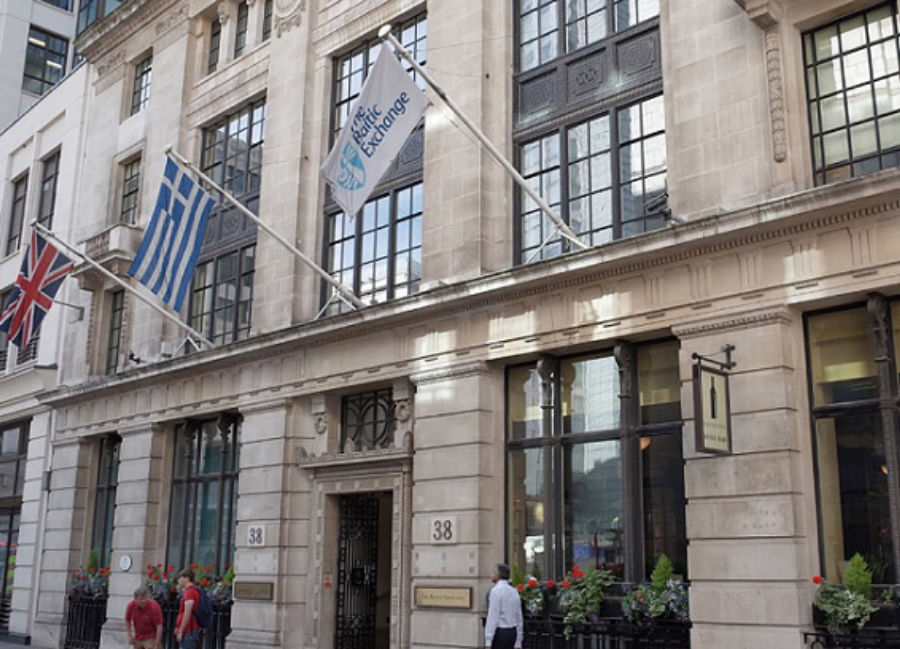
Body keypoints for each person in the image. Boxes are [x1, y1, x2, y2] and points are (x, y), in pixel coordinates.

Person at [484, 563, 523, 649]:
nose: (492, 575)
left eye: (493, 573)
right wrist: (518, 641)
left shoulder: (495, 591)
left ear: (497, 575)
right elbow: (519, 617)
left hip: (500, 633)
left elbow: (493, 616)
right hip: (512, 632)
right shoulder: (514, 591)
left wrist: (488, 640)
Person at [175, 568, 203, 649]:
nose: (178, 581)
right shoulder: (190, 591)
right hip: (189, 630)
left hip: (189, 630)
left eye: (180, 578)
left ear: (187, 578)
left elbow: (187, 613)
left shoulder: (190, 592)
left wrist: (181, 630)